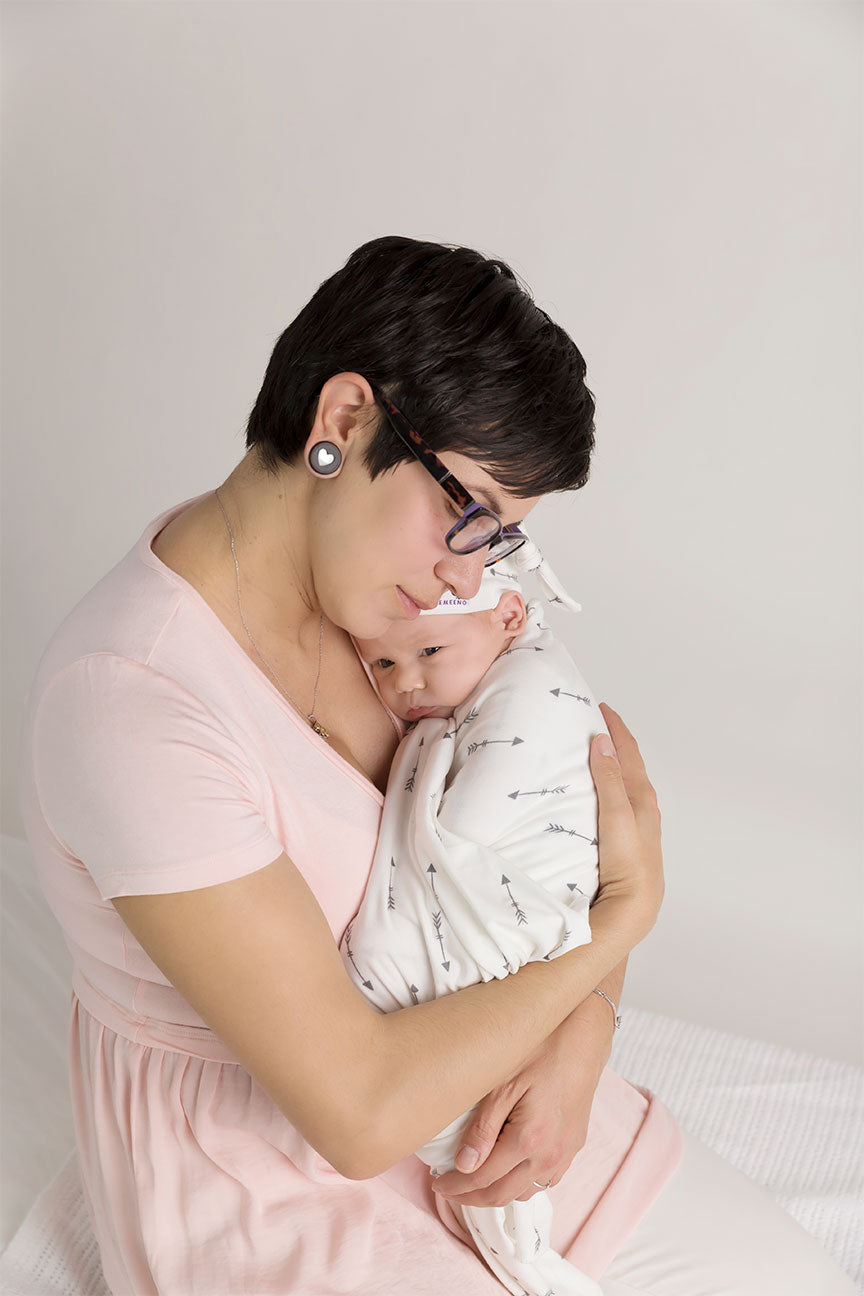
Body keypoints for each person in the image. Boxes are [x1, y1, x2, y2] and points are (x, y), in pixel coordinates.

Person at [16, 236, 856, 1295]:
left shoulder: (410, 615)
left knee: (802, 1280)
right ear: (342, 422)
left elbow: (583, 808)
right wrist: (617, 933)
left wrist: (581, 1034)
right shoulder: (128, 698)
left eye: (498, 540)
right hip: (271, 1174)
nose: (467, 570)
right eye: (466, 513)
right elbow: (357, 1114)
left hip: (482, 1093)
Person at [343, 543, 615, 1296]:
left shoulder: (534, 689)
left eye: (429, 650)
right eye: (384, 666)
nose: (409, 684)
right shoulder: (458, 702)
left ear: (510, 615)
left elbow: (481, 833)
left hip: (520, 913)